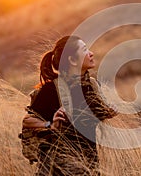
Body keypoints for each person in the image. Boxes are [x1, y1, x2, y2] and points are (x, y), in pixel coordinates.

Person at [22, 35, 118, 175]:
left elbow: (93, 117)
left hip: (90, 165)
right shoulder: (51, 90)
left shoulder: (91, 85)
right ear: (72, 60)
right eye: (85, 50)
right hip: (57, 167)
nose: (91, 53)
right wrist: (50, 125)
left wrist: (109, 111)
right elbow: (27, 121)